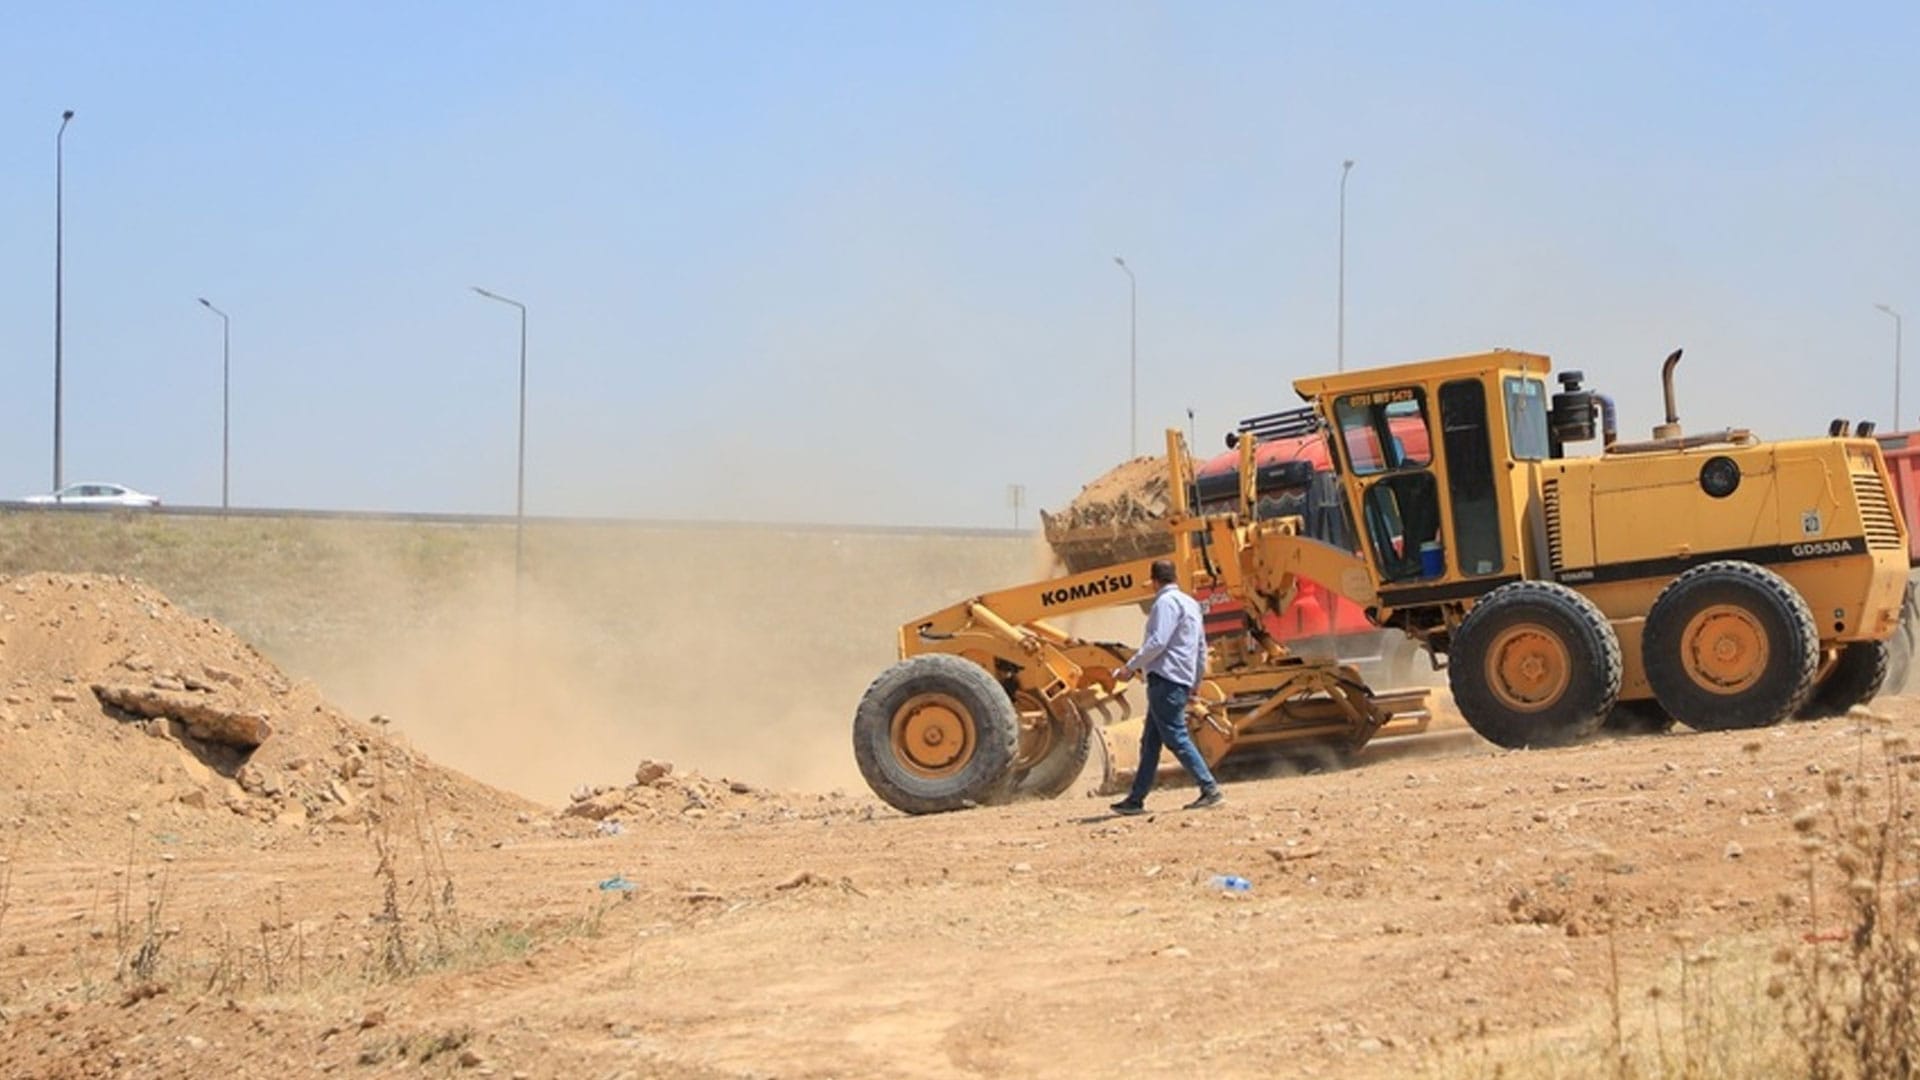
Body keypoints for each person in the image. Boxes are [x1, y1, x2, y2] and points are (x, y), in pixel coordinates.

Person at [1109, 558, 1225, 814]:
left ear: (1154, 581)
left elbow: (1157, 642)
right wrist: (1195, 681)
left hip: (1165, 679)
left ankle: (1210, 789)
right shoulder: (1191, 603)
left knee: (1176, 737)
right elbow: (1201, 647)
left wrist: (1129, 667)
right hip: (1181, 679)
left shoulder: (1164, 603)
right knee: (1150, 742)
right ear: (1174, 577)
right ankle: (1135, 799)